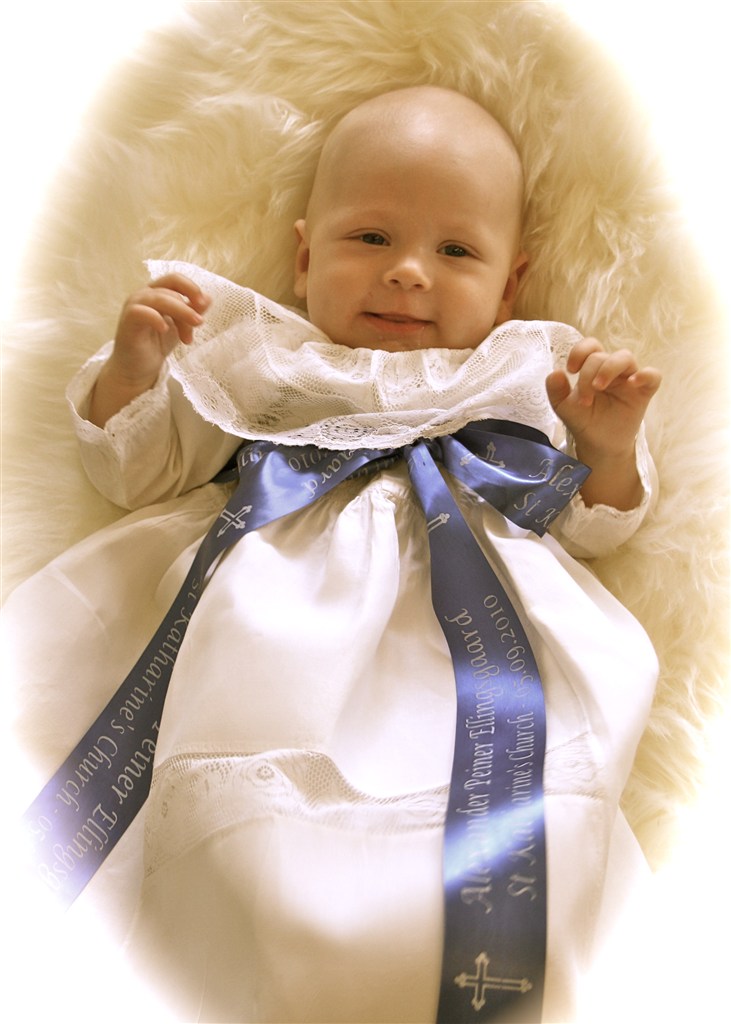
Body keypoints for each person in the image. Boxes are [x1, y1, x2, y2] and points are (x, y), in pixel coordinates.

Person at [9, 86, 661, 1022]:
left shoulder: (528, 373)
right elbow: (138, 472)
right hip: (268, 617)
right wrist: (135, 370)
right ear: (305, 255)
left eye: (455, 251)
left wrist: (603, 445)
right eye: (370, 238)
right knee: (246, 838)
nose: (407, 273)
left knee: (524, 829)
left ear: (510, 285)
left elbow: (596, 528)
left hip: (473, 649)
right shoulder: (266, 358)